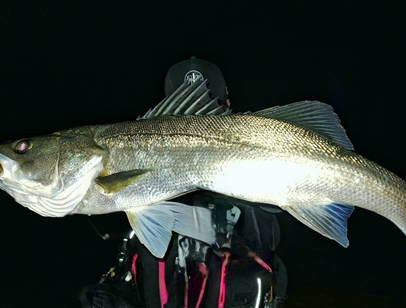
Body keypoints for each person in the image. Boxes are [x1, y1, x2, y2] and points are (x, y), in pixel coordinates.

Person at [80, 57, 287, 308]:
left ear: (229, 107)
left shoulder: (262, 166)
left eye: (212, 106)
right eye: (182, 110)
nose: (196, 119)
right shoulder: (139, 179)